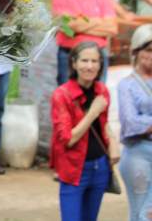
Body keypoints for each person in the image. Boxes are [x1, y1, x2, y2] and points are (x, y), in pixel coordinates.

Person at [50, 41, 114, 221]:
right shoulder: (61, 95)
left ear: (100, 65)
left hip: (100, 166)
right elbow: (67, 139)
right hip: (74, 169)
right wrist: (93, 112)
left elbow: (104, 124)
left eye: (95, 61)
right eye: (84, 61)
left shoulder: (102, 91)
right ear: (74, 63)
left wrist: (114, 144)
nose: (89, 66)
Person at [51, 0, 118, 85]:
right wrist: (99, 21)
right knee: (67, 99)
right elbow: (68, 27)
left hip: (98, 56)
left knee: (97, 99)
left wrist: (80, 23)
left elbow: (112, 28)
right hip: (69, 55)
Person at [118, 25, 152, 220]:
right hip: (138, 153)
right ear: (136, 51)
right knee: (141, 213)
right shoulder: (127, 85)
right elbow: (130, 123)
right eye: (148, 50)